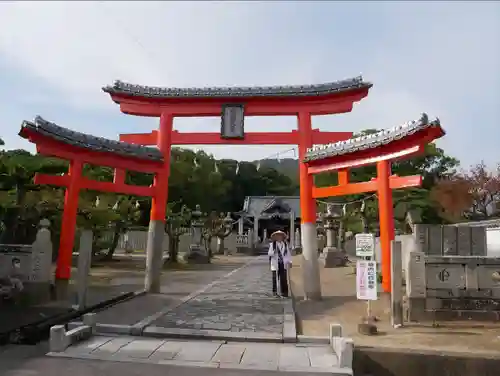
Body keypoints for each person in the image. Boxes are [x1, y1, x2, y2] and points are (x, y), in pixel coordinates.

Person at [268, 230, 292, 297]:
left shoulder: (285, 244)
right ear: (275, 237)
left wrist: (290, 262)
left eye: (280, 236)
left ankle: (284, 292)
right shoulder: (272, 245)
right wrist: (273, 252)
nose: (279, 237)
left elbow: (288, 254)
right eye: (278, 236)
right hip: (275, 263)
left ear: (282, 237)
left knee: (283, 278)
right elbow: (269, 253)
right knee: (275, 278)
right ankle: (274, 292)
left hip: (283, 263)